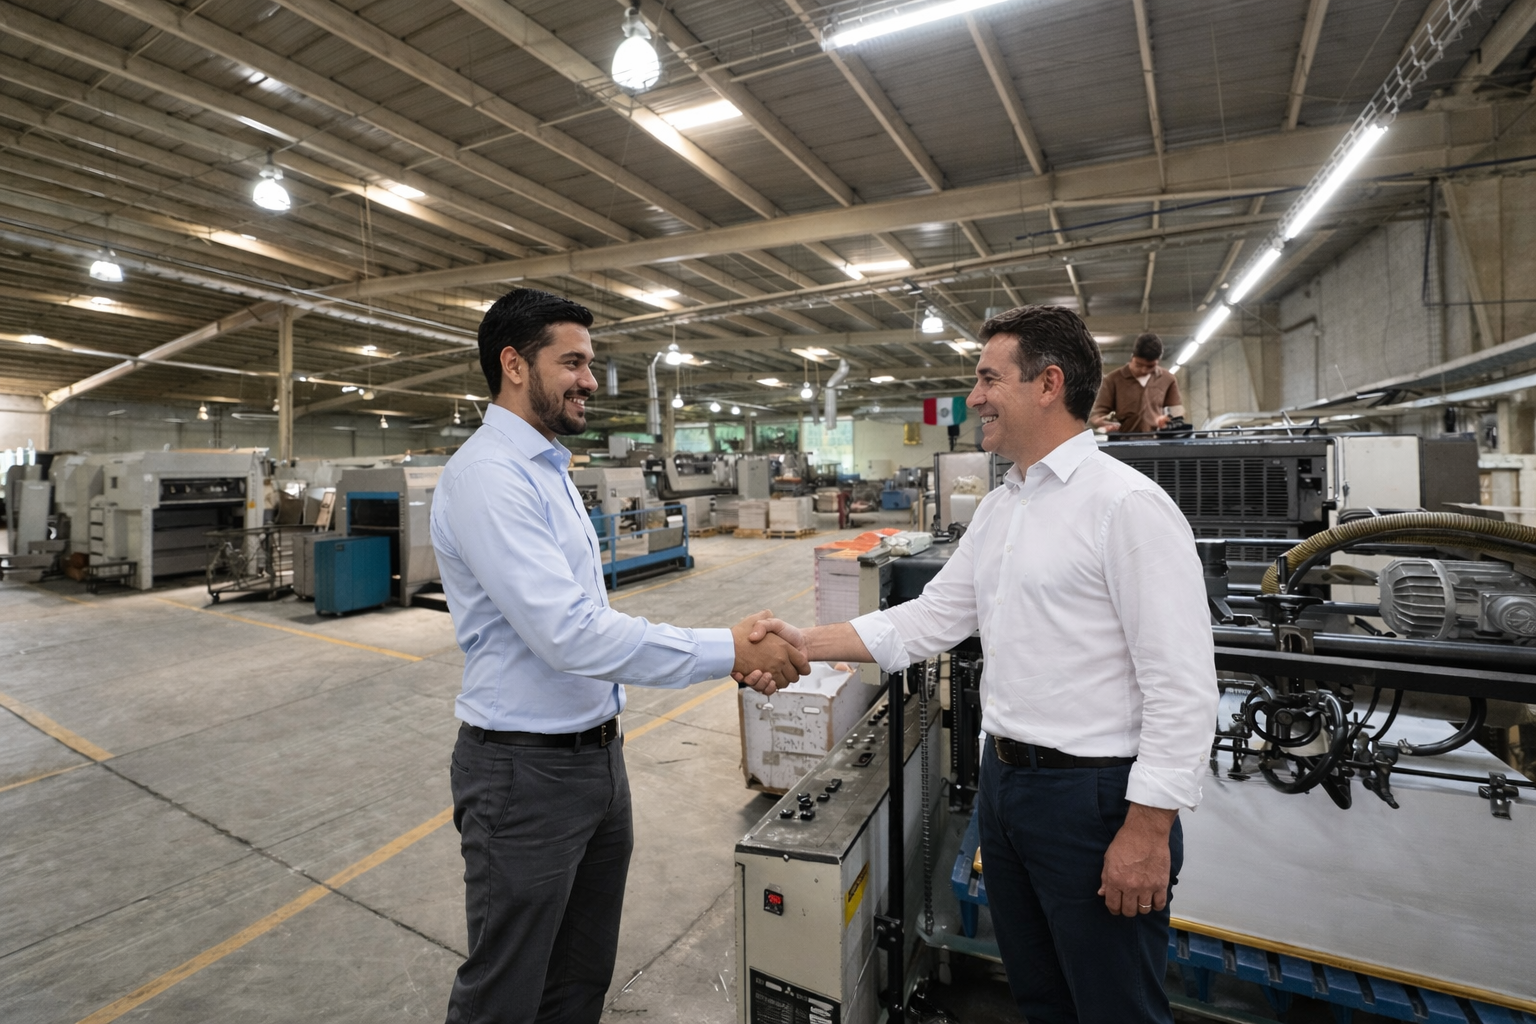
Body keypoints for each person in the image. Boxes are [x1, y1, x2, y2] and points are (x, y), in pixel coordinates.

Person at [742, 305, 1217, 1024]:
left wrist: (1148, 830)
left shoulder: (1127, 507)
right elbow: (927, 621)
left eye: (989, 378)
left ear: (1048, 383)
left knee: (1116, 1007)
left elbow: (1183, 685)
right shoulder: (1003, 508)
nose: (975, 397)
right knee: (1041, 996)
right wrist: (803, 644)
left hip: (1094, 800)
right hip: (1008, 788)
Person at [430, 288, 810, 1024]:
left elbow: (593, 620)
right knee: (505, 992)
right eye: (572, 362)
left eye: (591, 363)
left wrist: (730, 655)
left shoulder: (548, 470)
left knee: (579, 978)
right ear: (514, 365)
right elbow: (568, 634)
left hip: (596, 761)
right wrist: (726, 646)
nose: (590, 380)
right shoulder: (489, 477)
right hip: (524, 773)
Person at [1089, 331, 1185, 435]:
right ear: (1132, 357)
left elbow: (1177, 413)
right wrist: (1102, 423)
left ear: (1158, 361)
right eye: (1139, 365)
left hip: (1156, 442)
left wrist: (1169, 420)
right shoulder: (1112, 380)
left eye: (1150, 366)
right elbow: (1097, 414)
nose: (1144, 370)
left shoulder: (1168, 379)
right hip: (1123, 443)